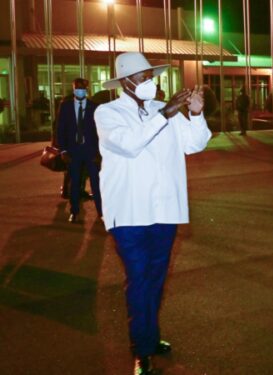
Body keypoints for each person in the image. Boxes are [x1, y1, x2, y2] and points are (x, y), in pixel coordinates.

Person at [95, 52, 211, 375]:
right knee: (139, 278)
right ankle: (141, 348)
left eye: (151, 76)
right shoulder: (107, 113)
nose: (150, 82)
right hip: (130, 214)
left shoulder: (164, 109)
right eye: (143, 77)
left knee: (156, 278)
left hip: (164, 210)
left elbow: (195, 144)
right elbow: (130, 144)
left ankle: (150, 336)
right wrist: (168, 113)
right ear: (125, 83)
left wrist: (197, 114)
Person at [56, 78, 102, 223]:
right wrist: (63, 151)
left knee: (96, 182)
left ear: (87, 89)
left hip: (91, 151)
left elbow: (100, 130)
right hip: (73, 152)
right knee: (74, 183)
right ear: (73, 88)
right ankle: (74, 212)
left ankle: (101, 213)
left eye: (82, 88)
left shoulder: (94, 107)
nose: (80, 90)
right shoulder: (66, 106)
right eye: (77, 87)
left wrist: (99, 152)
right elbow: (60, 129)